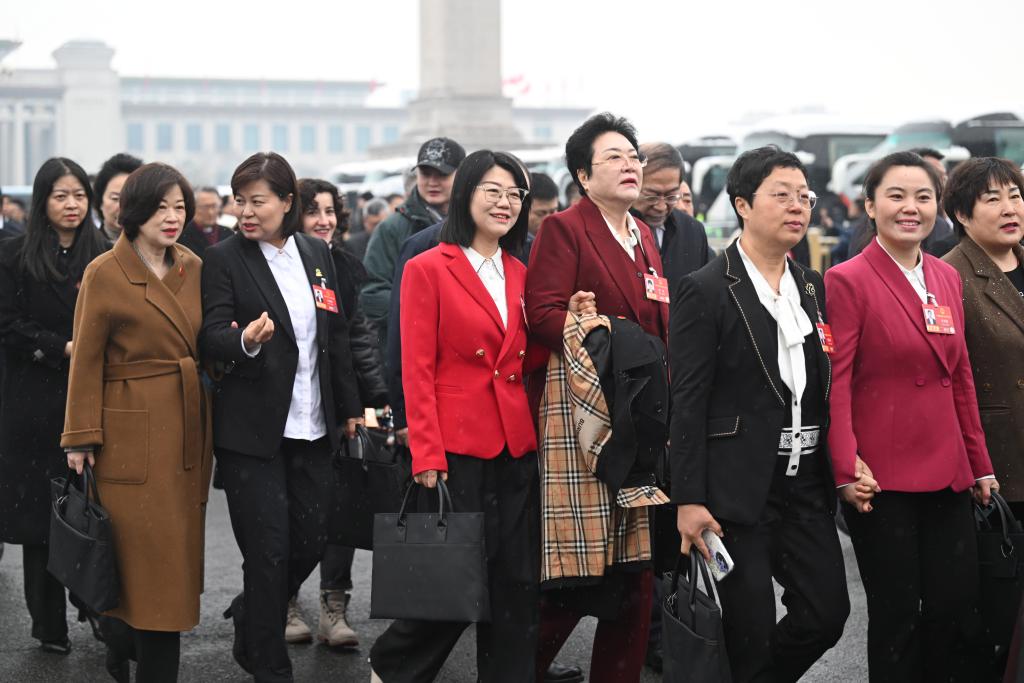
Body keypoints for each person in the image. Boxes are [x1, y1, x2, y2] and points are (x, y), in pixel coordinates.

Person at [370, 149, 561, 683]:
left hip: (515, 445)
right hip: (456, 447)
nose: (506, 203)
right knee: (449, 588)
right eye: (493, 191)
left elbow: (522, 358)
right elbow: (416, 367)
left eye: (515, 194)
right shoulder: (428, 267)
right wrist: (425, 452)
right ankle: (391, 667)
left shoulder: (521, 272)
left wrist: (571, 324)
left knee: (516, 588)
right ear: (465, 195)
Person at [670, 146, 854, 682]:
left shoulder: (812, 285)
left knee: (826, 614)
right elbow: (688, 402)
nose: (798, 206)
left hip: (805, 484)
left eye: (805, 196)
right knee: (747, 632)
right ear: (743, 205)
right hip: (737, 489)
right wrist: (689, 499)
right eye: (782, 195)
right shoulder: (706, 288)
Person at [826, 151, 997, 681]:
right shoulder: (847, 280)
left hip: (949, 470)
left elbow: (960, 377)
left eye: (923, 197)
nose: (911, 208)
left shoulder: (946, 276)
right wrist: (846, 467)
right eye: (896, 196)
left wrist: (980, 463)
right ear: (870, 206)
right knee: (897, 618)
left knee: (954, 610)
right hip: (883, 478)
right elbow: (837, 382)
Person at [199, 152, 362, 682]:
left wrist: (351, 409)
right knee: (267, 550)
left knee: (312, 538)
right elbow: (210, 335)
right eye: (239, 201)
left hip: (313, 426)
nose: (245, 212)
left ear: (287, 202)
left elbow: (335, 335)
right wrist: (245, 341)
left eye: (258, 201)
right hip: (253, 433)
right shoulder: (224, 259)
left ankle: (254, 611)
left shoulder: (316, 253)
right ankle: (270, 664)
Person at [525, 113, 668, 683]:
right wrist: (593, 326)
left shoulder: (644, 234)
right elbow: (541, 313)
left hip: (643, 416)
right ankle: (518, 669)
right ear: (583, 176)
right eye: (614, 157)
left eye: (634, 156)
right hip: (590, 419)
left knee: (636, 573)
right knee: (579, 573)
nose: (630, 165)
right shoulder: (566, 229)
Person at [62, 162, 212, 682]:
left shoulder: (194, 266)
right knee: (136, 559)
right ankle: (118, 633)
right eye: (161, 207)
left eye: (180, 207)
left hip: (187, 425)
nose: (173, 217)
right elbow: (86, 360)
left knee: (169, 568)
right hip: (126, 430)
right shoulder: (105, 271)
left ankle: (138, 651)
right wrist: (80, 437)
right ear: (135, 211)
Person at [0, 157, 108, 655]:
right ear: (43, 200)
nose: (72, 205)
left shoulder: (105, 255)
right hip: (34, 400)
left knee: (94, 509)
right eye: (61, 196)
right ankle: (49, 625)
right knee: (41, 520)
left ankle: (98, 608)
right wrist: (61, 347)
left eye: (79, 195)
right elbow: (7, 324)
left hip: (91, 398)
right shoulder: (14, 256)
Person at [288, 177, 389, 649]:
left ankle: (334, 605)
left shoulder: (344, 265)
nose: (324, 220)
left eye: (330, 211)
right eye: (313, 211)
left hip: (341, 406)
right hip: (292, 409)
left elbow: (359, 336)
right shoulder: (279, 265)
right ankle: (285, 599)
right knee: (292, 510)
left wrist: (378, 397)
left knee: (342, 505)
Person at [628, 141, 712, 671]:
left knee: (675, 509)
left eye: (671, 195)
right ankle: (649, 633)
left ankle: (672, 628)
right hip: (635, 389)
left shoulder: (692, 232)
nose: (661, 206)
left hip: (684, 382)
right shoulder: (620, 230)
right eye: (652, 195)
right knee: (645, 519)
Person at [942, 157, 1024, 516]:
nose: (1009, 209)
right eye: (993, 199)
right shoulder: (949, 275)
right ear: (962, 214)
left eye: (1015, 196)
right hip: (1001, 461)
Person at [360, 137, 465, 364]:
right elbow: (371, 293)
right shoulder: (392, 228)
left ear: (461, 175)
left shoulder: (475, 225)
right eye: (426, 174)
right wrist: (425, 314)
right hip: (411, 352)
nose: (432, 182)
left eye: (442, 175)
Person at [93, 153, 144, 242]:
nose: (122, 206)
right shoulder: (87, 246)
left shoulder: (157, 246)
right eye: (115, 198)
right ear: (100, 201)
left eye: (131, 199)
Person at [178, 186, 233, 260]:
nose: (210, 212)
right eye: (205, 207)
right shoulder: (182, 234)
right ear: (194, 207)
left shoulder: (228, 233)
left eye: (214, 206)